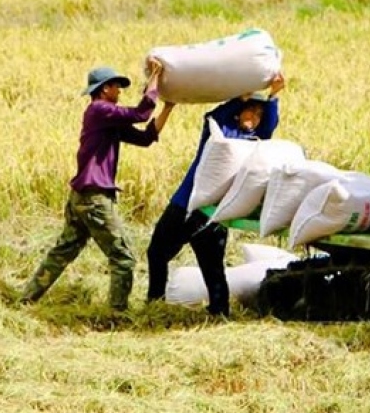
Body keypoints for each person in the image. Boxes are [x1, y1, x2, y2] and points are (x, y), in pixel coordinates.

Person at [20, 64, 175, 311]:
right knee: (123, 258)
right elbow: (141, 113)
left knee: (63, 251)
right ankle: (117, 313)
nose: (120, 92)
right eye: (117, 87)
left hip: (81, 197)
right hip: (94, 199)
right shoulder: (99, 110)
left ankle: (27, 299)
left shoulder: (107, 120)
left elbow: (145, 138)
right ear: (105, 89)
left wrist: (168, 107)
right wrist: (155, 79)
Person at [145, 74, 285, 317]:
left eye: (259, 114)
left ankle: (217, 311)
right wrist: (239, 99)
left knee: (210, 265)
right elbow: (212, 117)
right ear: (238, 113)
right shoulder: (221, 132)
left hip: (204, 211)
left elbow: (270, 125)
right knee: (159, 253)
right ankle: (158, 302)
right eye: (250, 111)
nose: (254, 117)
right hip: (194, 205)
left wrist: (273, 97)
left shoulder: (255, 142)